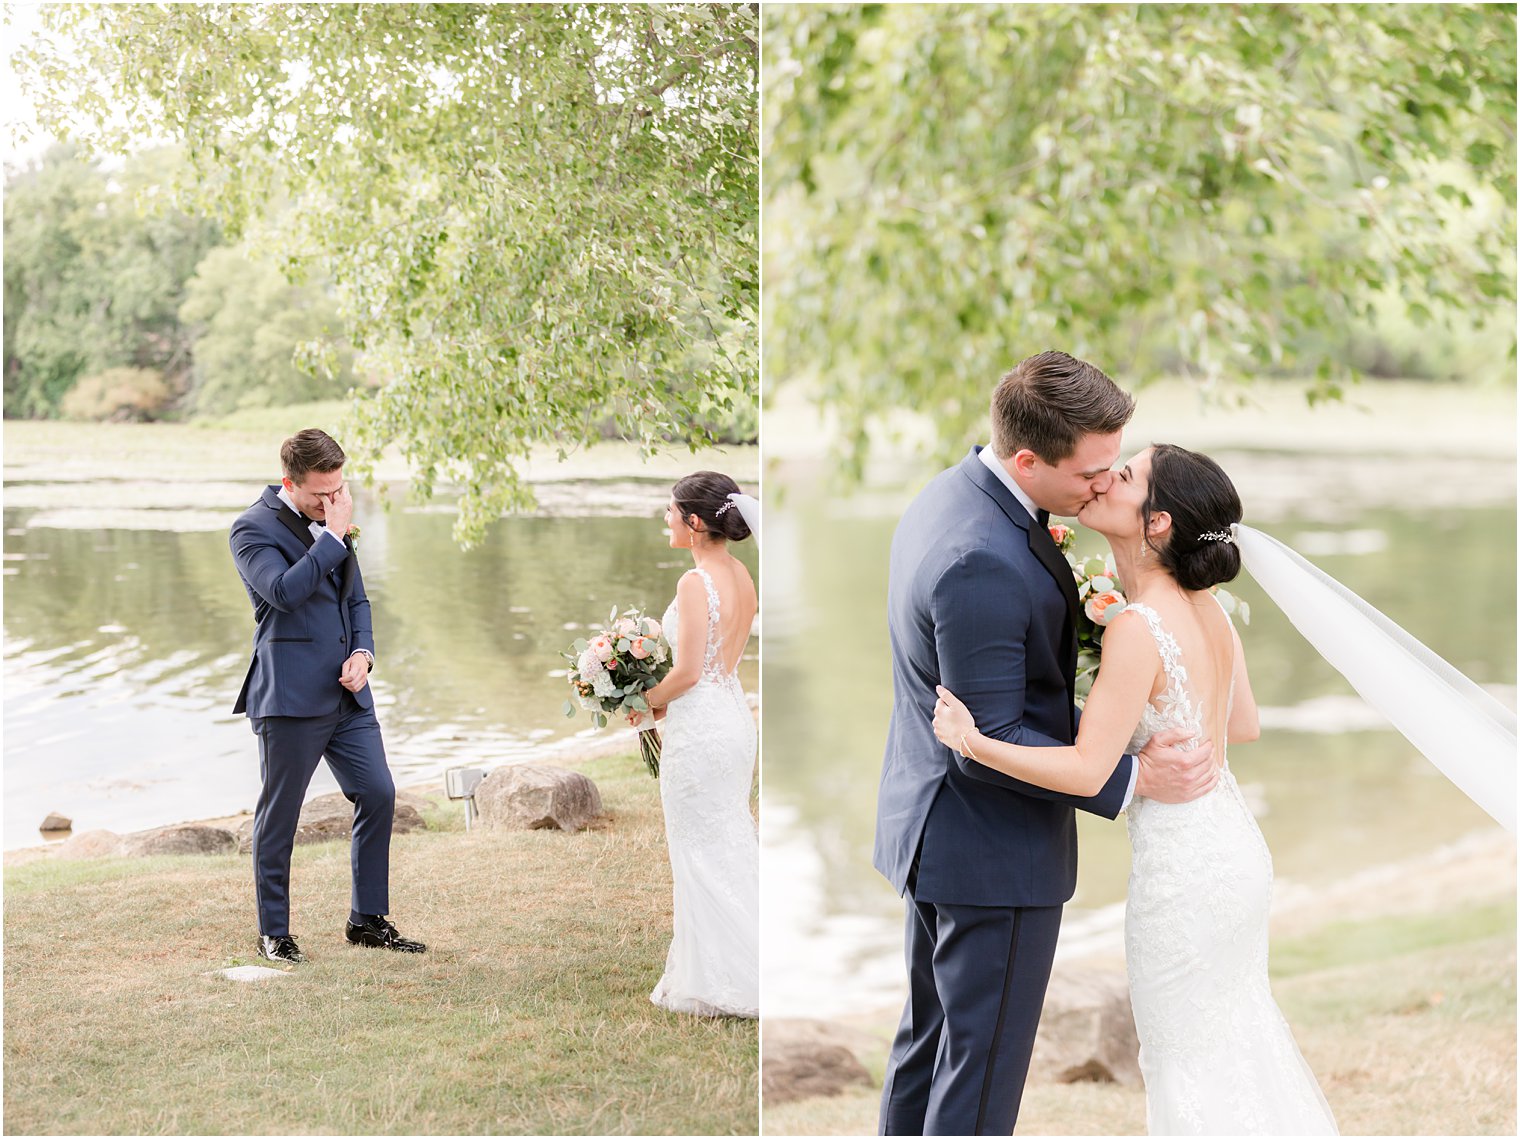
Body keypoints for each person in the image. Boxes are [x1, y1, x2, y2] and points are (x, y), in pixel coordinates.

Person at [932, 443, 1338, 1135]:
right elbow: (1242, 724)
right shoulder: (1208, 610)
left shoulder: (1136, 628)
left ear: (1157, 523)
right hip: (1233, 847)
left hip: (1183, 874)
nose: (1103, 480)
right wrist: (1150, 723)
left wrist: (973, 740)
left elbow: (1089, 772)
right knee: (1236, 1048)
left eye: (1124, 476)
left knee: (1185, 1065)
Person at [874, 352, 1217, 1136]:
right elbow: (987, 737)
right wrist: (1131, 779)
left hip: (938, 828)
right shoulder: (982, 560)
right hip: (991, 853)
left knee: (931, 1050)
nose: (1103, 485)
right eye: (1092, 472)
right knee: (980, 1078)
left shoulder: (956, 493)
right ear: (1028, 459)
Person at [229, 428, 424, 963]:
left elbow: (357, 600)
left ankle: (366, 919)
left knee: (378, 793)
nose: (332, 501)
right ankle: (274, 931)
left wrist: (363, 654)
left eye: (338, 490)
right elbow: (284, 594)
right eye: (321, 493)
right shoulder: (251, 529)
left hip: (348, 696)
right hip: (289, 698)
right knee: (280, 815)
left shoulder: (332, 519)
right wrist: (333, 537)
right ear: (290, 482)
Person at [633, 471, 759, 1017]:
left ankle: (720, 978)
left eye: (670, 510)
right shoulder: (743, 575)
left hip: (701, 727)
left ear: (693, 521)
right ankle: (721, 964)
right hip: (732, 716)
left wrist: (643, 701)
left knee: (697, 844)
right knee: (727, 835)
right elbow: (716, 666)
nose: (664, 518)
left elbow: (686, 672)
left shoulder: (694, 583)